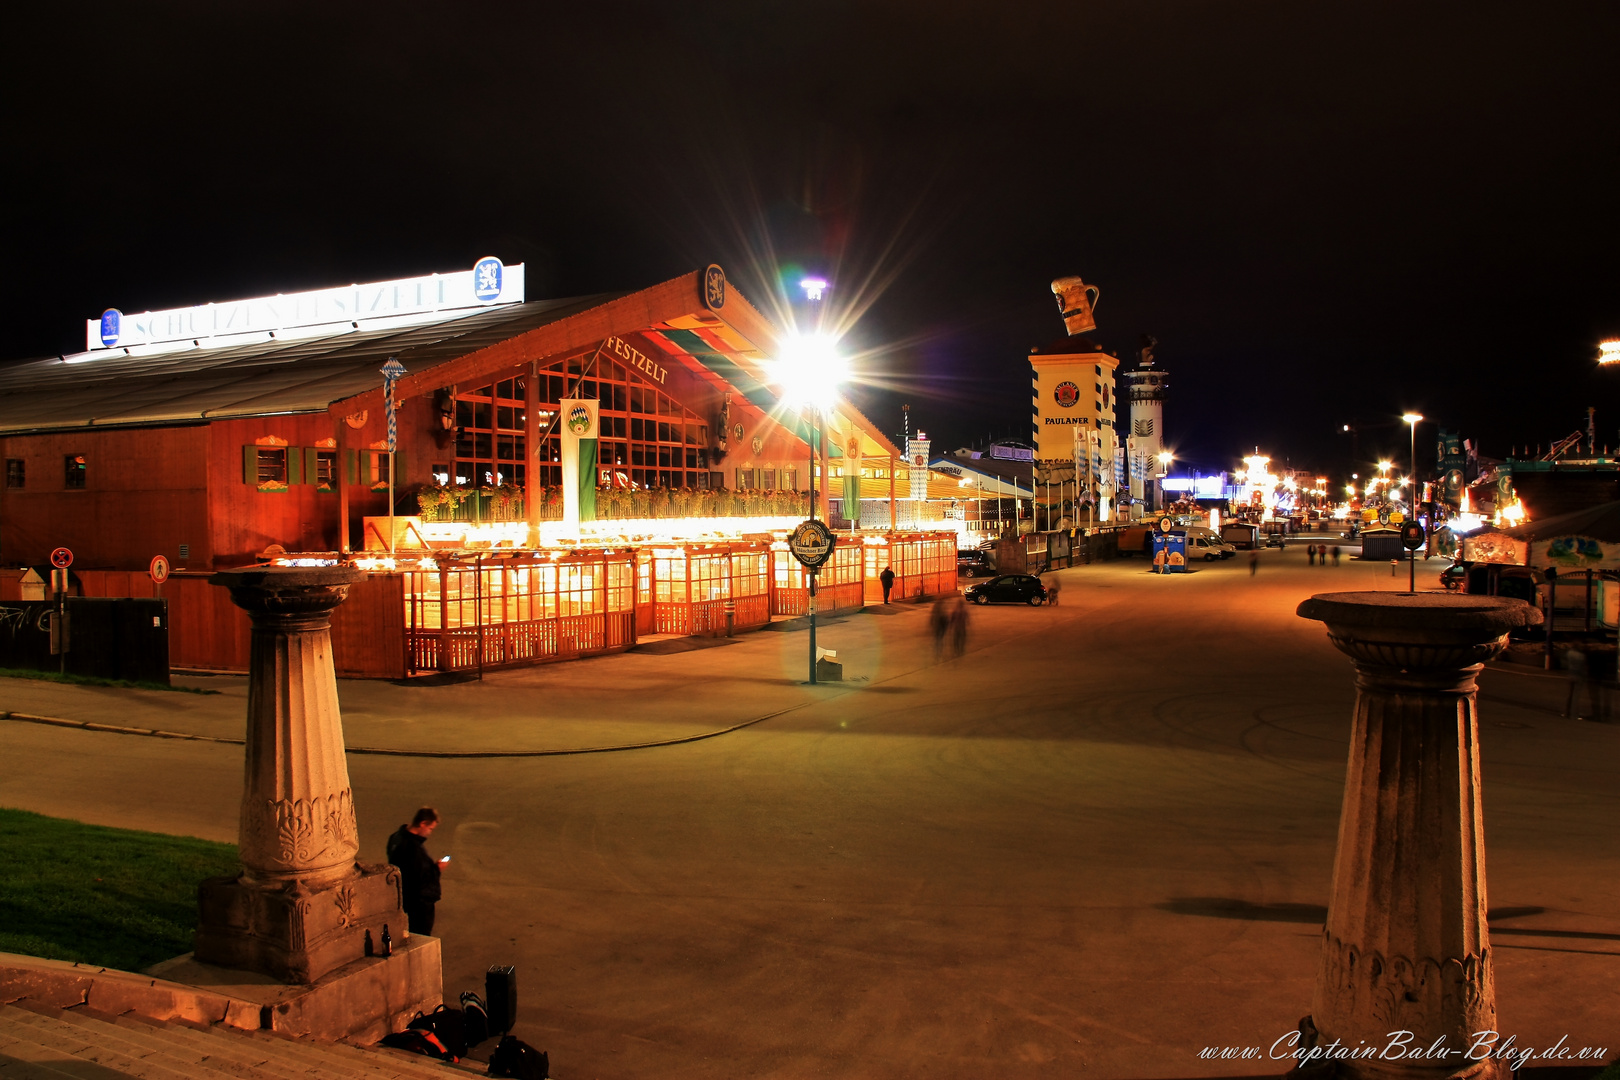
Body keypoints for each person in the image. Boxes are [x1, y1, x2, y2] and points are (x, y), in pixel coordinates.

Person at [387, 807, 444, 936]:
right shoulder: (413, 849)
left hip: (405, 894)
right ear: (423, 823)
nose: (430, 833)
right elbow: (421, 877)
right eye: (430, 829)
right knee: (421, 933)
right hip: (419, 901)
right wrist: (437, 868)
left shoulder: (396, 837)